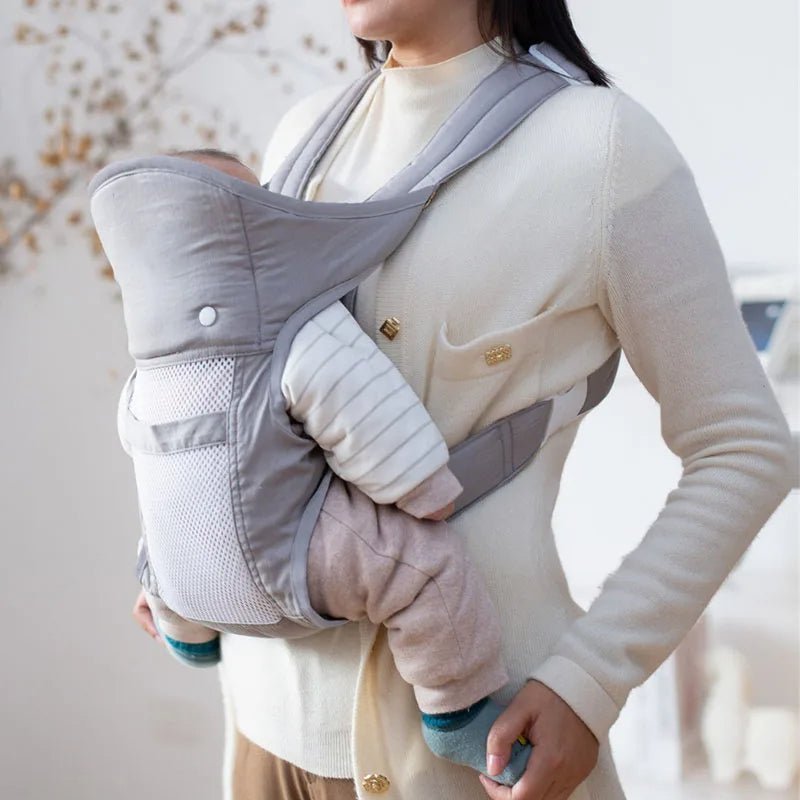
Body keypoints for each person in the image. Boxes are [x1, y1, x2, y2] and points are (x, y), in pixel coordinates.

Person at [131, 2, 796, 798]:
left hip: (480, 752)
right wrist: (189, 541)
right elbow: (235, 384)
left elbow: (745, 447)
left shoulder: (602, 147)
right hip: (260, 735)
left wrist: (591, 679)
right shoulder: (299, 137)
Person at [127, 146, 531, 784]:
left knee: (164, 534)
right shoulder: (290, 319)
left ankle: (186, 636)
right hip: (290, 557)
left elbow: (153, 463)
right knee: (423, 568)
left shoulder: (149, 362)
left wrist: (174, 583)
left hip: (191, 584)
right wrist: (421, 486)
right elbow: (358, 405)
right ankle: (459, 713)